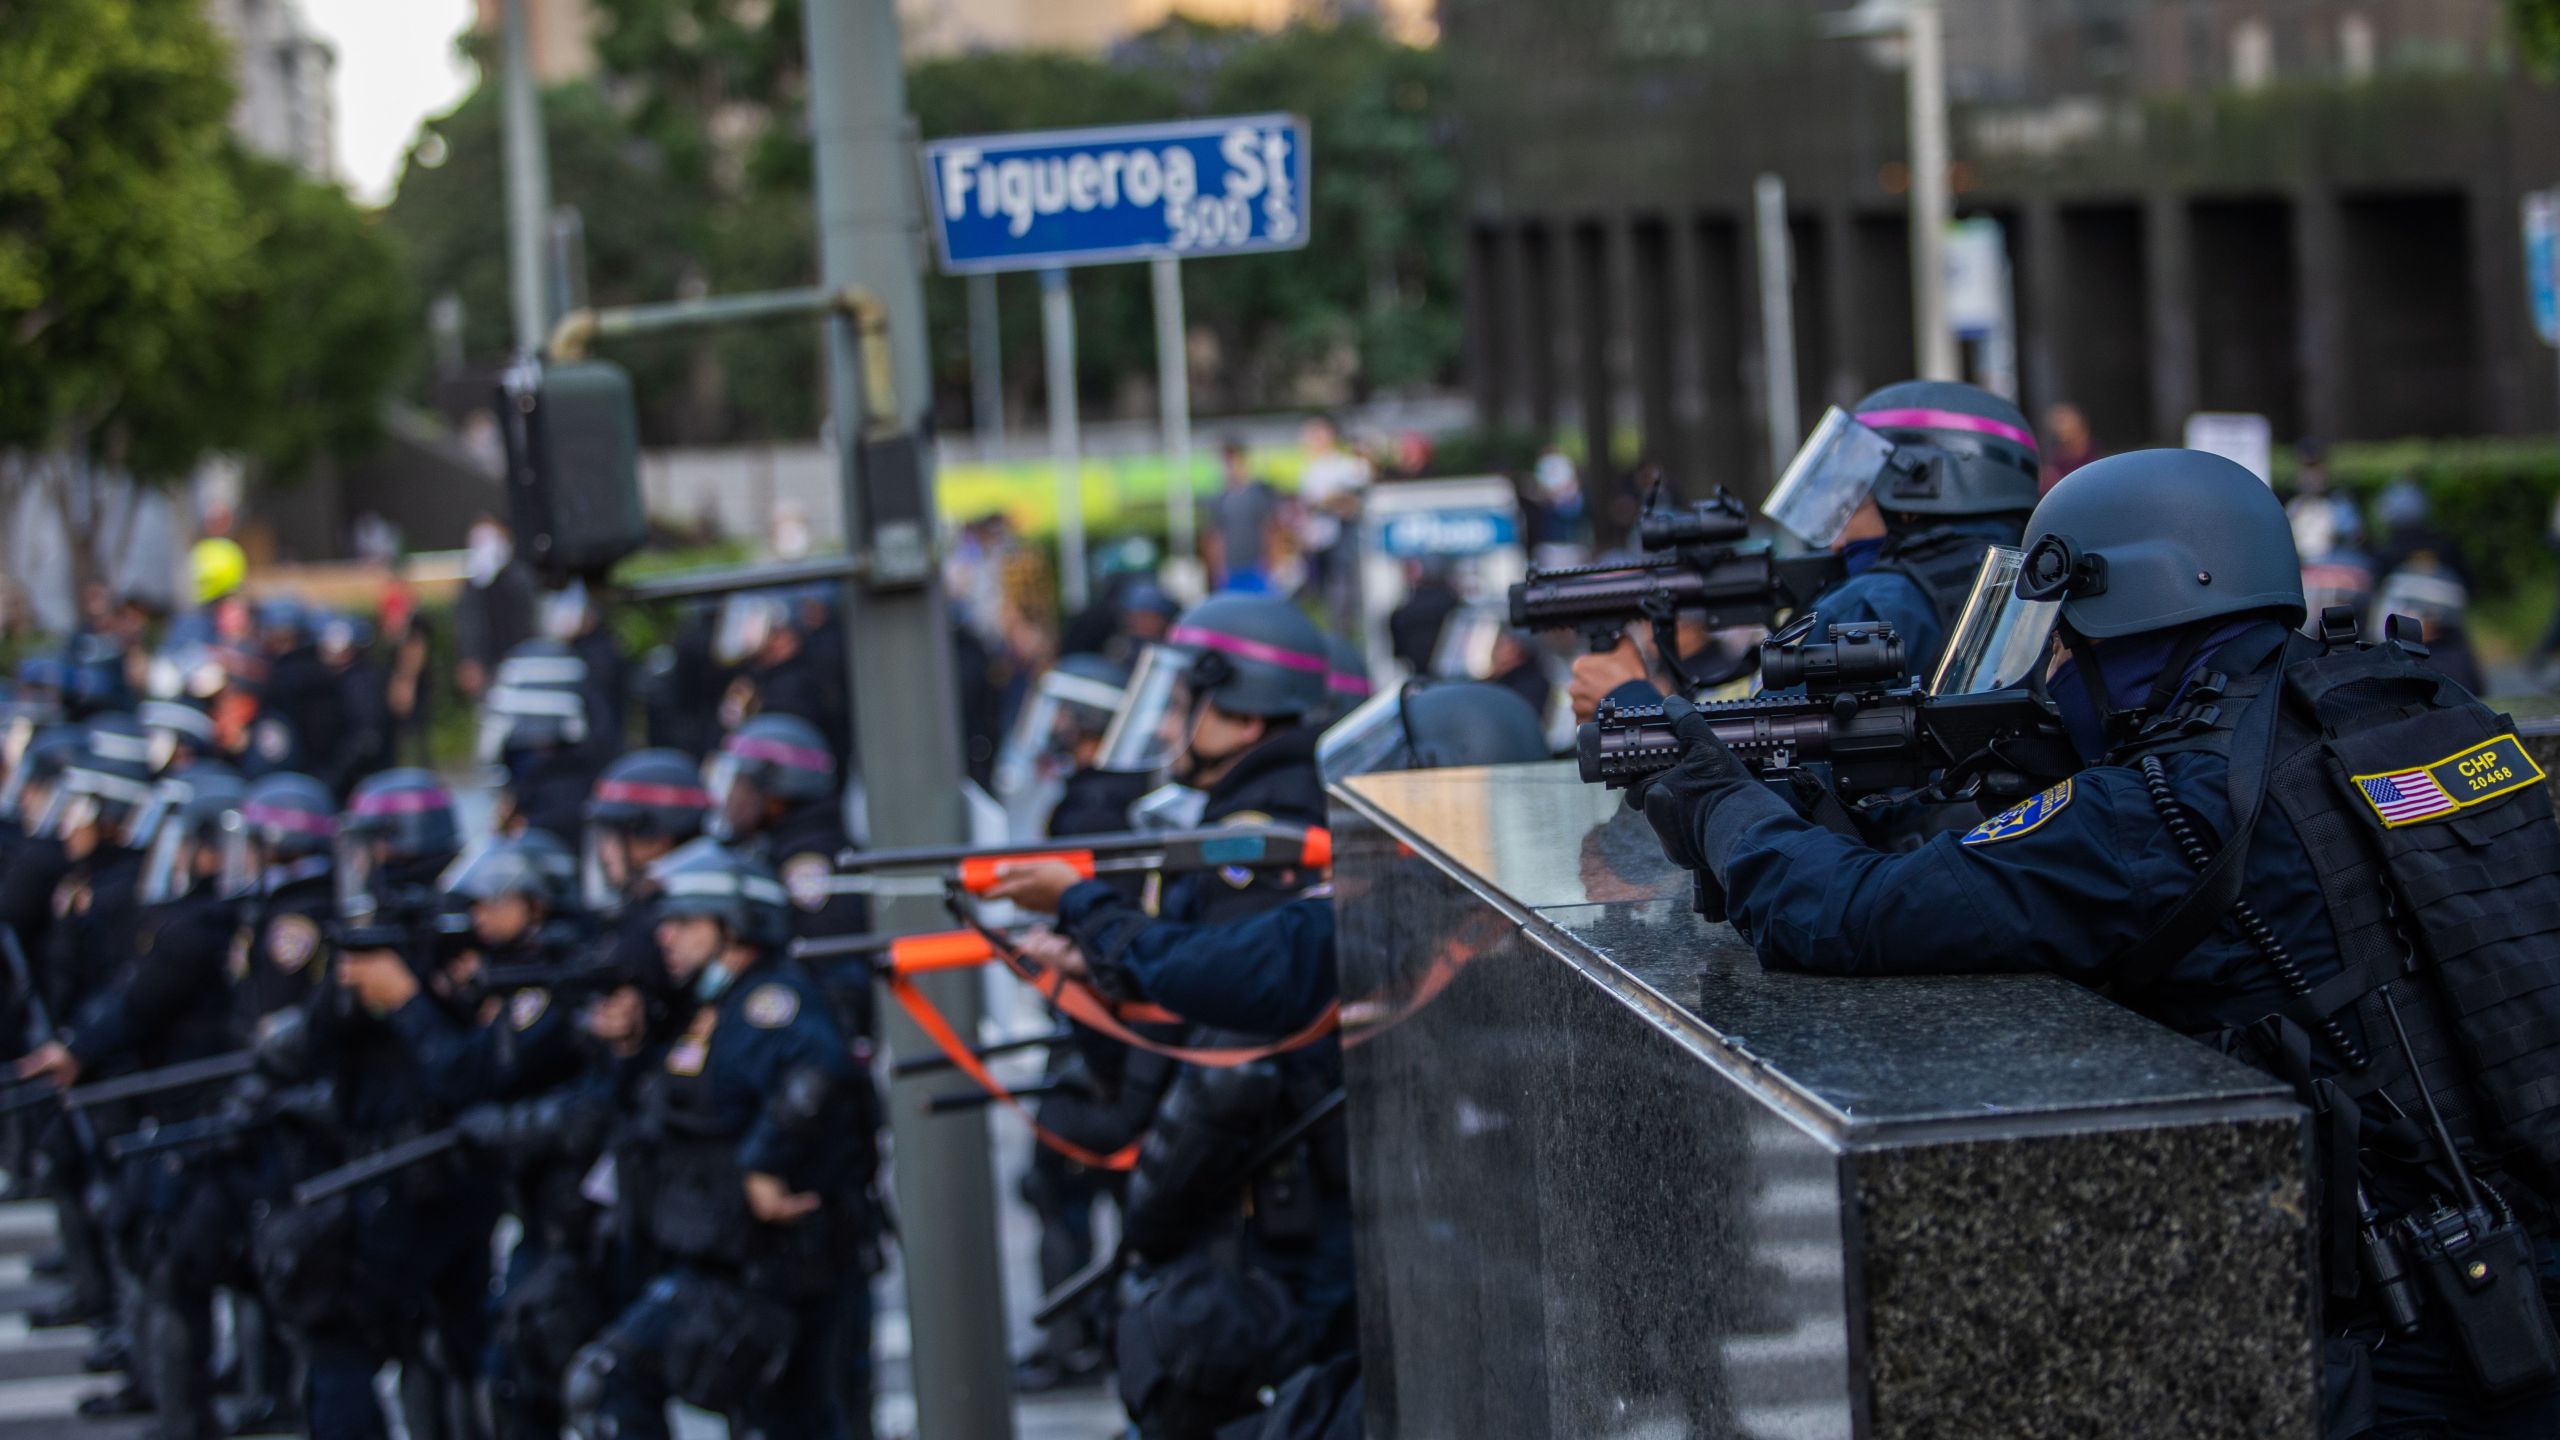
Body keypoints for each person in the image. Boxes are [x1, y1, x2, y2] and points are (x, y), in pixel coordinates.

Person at [1624, 447, 2560, 1438]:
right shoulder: (2411, 708)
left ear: (2134, 607)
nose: (2052, 664)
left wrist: (1724, 802)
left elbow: (1842, 914)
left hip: (2421, 1333)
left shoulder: (2164, 805)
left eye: (2064, 640)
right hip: (2511, 1235)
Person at [989, 679, 1554, 1440]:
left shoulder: (1401, 913)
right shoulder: (1493, 902)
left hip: (1388, 1240)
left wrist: (1082, 905)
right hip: (1453, 1244)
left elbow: (1234, 969)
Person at [563, 840, 867, 1440]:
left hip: (764, 1269)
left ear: (732, 925)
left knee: (609, 1382)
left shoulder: (769, 1000)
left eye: (685, 922)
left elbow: (817, 1074)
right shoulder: (710, 1004)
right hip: (720, 1253)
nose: (667, 938)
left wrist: (762, 1165)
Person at [1570, 380, 2038, 716]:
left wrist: (1630, 699)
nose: (1836, 539)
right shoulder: (2027, 581)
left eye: (1851, 506)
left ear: (1914, 500)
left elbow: (1745, 790)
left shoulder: (1870, 605)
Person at [456, 515, 540, 705]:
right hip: (489, 669)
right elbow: (470, 622)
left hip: (522, 664)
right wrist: (472, 658)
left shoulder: (520, 577)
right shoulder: (473, 584)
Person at [1206, 437, 1286, 593]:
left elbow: (1270, 530)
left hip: (1257, 567)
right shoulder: (1219, 497)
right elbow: (1215, 537)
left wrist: (1273, 564)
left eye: (1232, 460)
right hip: (1230, 569)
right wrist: (1217, 568)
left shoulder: (1258, 494)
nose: (1228, 467)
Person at [2038, 401, 2100, 495]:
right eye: (2056, 422)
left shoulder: (2097, 453)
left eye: (2063, 420)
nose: (2058, 427)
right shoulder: (2055, 457)